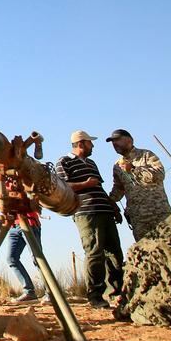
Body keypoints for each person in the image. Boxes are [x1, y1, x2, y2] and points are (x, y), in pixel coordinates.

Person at [59, 130, 124, 309]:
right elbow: (62, 186)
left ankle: (118, 293)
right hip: (86, 211)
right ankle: (95, 295)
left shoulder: (91, 163)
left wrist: (114, 207)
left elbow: (100, 187)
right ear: (81, 144)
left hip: (105, 210)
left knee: (115, 253)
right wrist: (85, 184)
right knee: (95, 252)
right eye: (89, 143)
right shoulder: (64, 161)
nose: (92, 146)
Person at [106, 129, 171, 241]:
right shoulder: (117, 166)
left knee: (169, 245)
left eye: (117, 140)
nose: (114, 144)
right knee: (146, 252)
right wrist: (109, 201)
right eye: (112, 142)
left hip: (159, 213)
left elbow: (159, 175)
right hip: (138, 219)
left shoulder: (146, 155)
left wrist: (133, 169)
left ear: (129, 140)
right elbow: (119, 189)